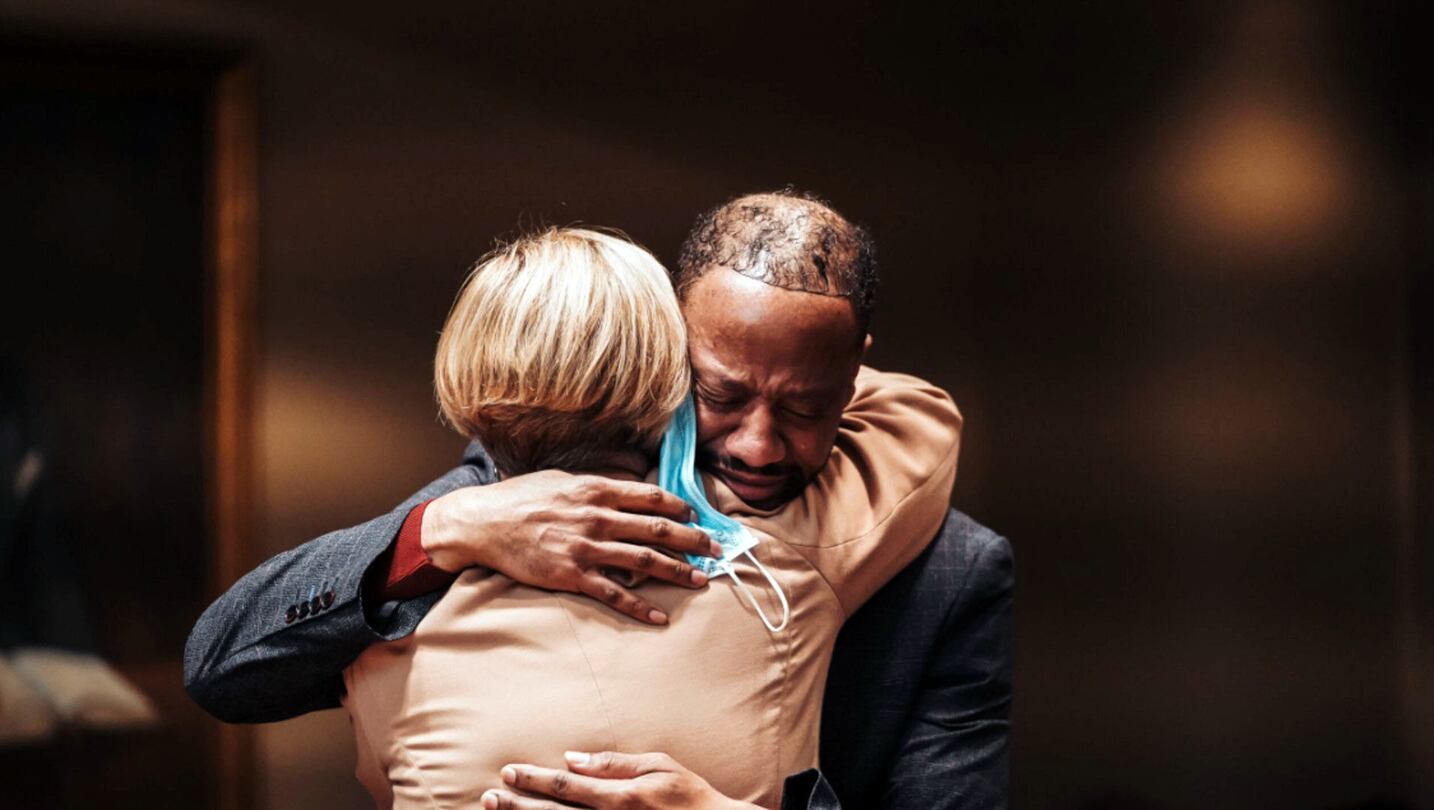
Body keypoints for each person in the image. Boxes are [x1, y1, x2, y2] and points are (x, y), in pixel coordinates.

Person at [184, 191, 1014, 809]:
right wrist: (443, 529)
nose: (759, 446)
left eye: (806, 407)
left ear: (854, 373)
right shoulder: (493, 496)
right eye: (721, 395)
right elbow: (223, 669)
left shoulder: (948, 571)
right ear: (666, 348)